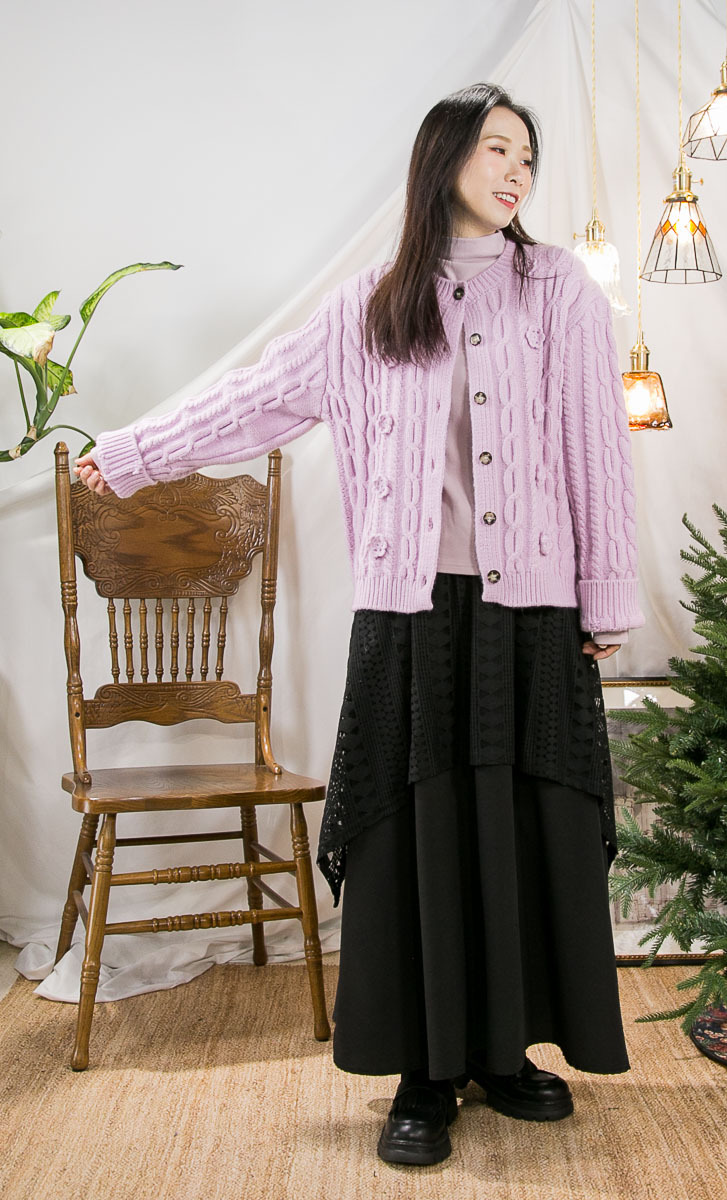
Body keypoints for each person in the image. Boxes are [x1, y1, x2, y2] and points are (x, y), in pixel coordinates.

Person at [76, 81, 643, 1166]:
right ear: (444, 159)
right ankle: (424, 1074)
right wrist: (135, 453)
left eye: (528, 155)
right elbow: (254, 398)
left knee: (525, 831)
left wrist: (607, 592)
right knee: (415, 834)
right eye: (497, 149)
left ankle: (505, 1054)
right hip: (411, 613)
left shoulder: (561, 290)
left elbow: (596, 445)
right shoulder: (369, 306)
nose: (517, 170)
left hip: (533, 611)